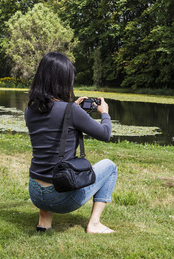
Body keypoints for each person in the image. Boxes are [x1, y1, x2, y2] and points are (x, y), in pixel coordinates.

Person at [25, 52, 117, 234]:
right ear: (63, 80)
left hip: (35, 193)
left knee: (47, 161)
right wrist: (104, 113)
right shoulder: (71, 111)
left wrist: (72, 108)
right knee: (110, 166)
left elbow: (53, 122)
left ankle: (44, 221)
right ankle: (95, 224)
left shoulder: (30, 109)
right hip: (61, 197)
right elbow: (105, 134)